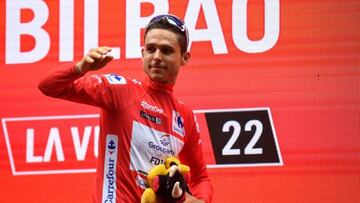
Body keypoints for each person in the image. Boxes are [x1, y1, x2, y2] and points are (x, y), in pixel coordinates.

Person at [38, 14, 213, 202]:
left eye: (166, 51)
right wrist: (80, 67)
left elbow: (200, 178)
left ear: (184, 58)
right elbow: (48, 85)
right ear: (142, 53)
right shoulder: (120, 90)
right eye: (151, 49)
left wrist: (198, 200)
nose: (156, 57)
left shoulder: (184, 115)